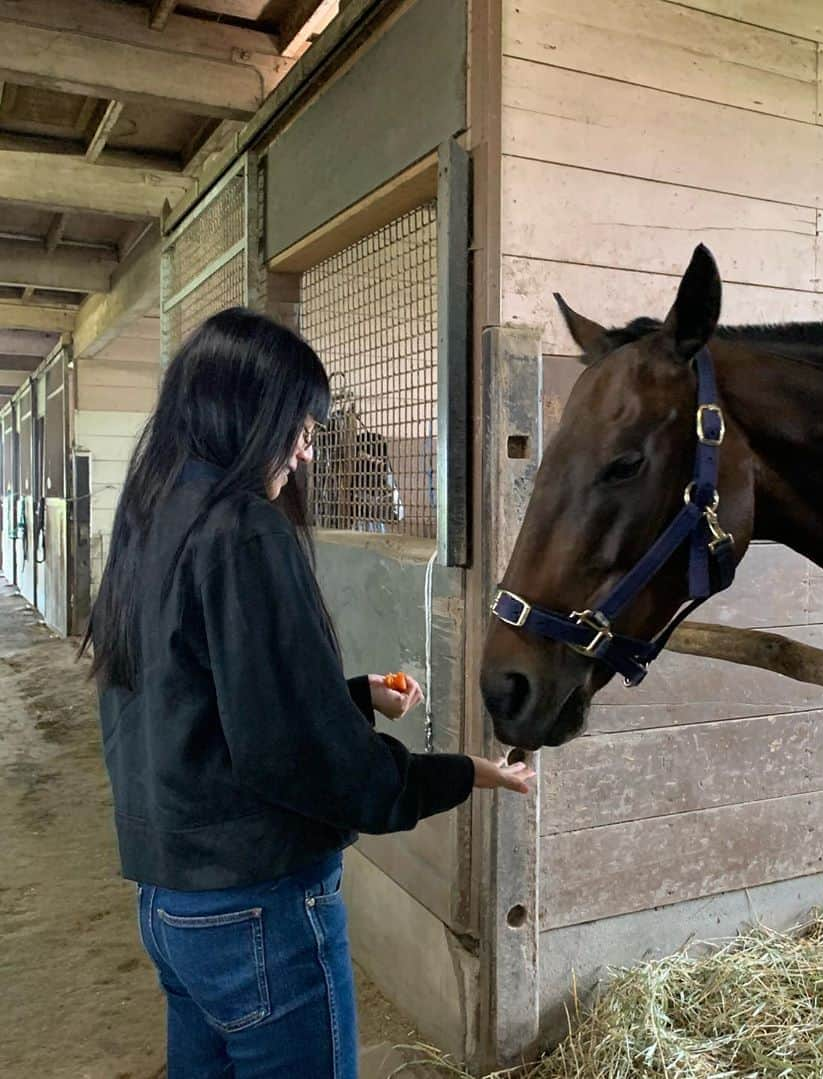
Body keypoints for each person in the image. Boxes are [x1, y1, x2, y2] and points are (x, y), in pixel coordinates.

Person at [81, 308, 534, 1079]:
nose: (305, 448)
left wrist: (352, 695)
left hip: (170, 901)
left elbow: (195, 704)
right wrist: (465, 773)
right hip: (259, 906)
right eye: (298, 426)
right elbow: (305, 759)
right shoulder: (245, 528)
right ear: (245, 412)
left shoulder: (151, 518)